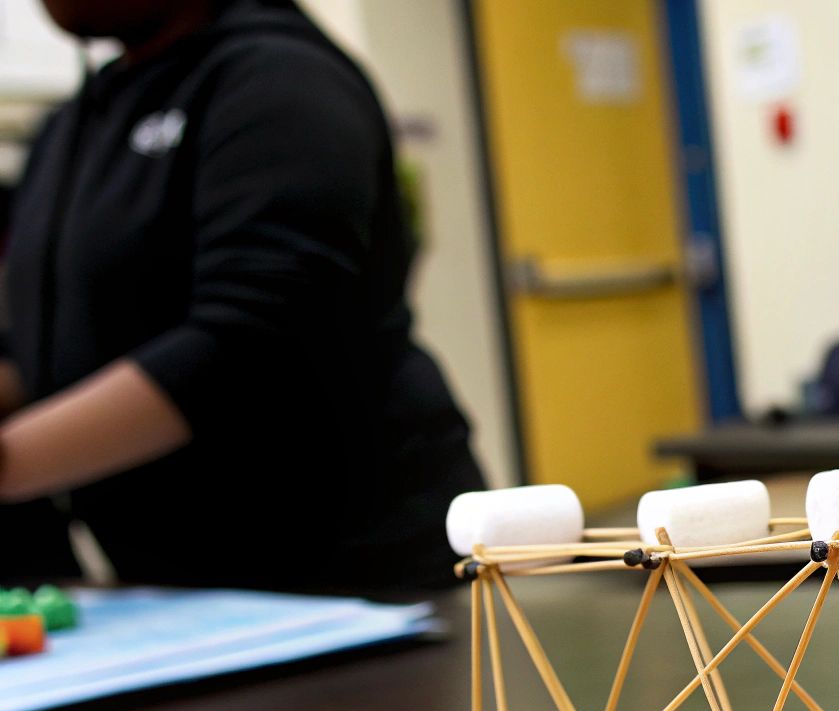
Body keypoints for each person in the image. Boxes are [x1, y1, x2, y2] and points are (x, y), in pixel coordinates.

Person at [0, 0, 485, 590]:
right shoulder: (74, 124)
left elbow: (251, 341)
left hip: (358, 570)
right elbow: (45, 346)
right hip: (180, 580)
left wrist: (10, 462)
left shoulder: (281, 79)